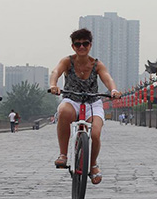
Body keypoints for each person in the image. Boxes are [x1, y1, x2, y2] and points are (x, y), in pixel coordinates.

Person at [49, 28, 121, 185]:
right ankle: (63, 154)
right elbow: (56, 72)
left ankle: (93, 164)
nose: (82, 47)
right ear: (73, 46)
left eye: (85, 44)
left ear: (90, 45)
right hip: (72, 100)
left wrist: (113, 90)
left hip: (92, 102)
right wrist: (53, 84)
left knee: (95, 134)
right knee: (63, 112)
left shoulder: (96, 64)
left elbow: (107, 78)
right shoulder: (67, 61)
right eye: (78, 44)